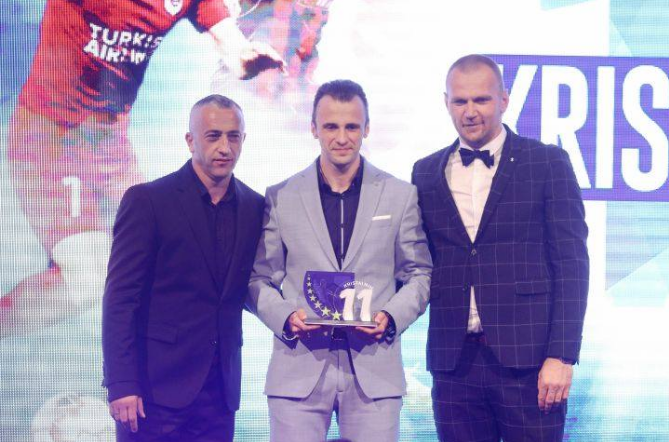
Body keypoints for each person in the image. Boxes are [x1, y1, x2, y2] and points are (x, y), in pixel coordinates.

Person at [1, 0, 284, 337]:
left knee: (173, 253)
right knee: (86, 280)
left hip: (110, 147)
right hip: (52, 139)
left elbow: (235, 52)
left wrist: (247, 59)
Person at [411, 54, 589, 442]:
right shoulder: (425, 172)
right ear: (446, 103)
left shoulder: (547, 162)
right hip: (454, 365)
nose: (470, 111)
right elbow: (417, 262)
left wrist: (561, 355)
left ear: (504, 100)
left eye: (481, 100)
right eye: (460, 101)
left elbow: (572, 264)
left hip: (531, 363)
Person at [248, 79, 432, 442]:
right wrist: (285, 317)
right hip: (299, 365)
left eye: (351, 126)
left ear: (367, 128)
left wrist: (390, 317)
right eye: (331, 126)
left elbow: (419, 274)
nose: (342, 137)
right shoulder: (281, 196)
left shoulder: (399, 195)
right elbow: (258, 279)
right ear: (313, 128)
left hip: (374, 369)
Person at [102, 94, 264, 441]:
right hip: (152, 391)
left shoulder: (254, 206)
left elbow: (251, 284)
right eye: (213, 136)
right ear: (191, 141)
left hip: (219, 395)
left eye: (233, 136)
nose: (224, 147)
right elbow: (120, 300)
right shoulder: (148, 201)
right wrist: (121, 383)